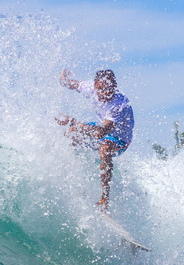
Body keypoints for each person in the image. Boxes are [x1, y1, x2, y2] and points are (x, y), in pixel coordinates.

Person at [56, 68, 134, 211]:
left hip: (120, 140)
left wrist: (71, 121)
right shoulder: (89, 88)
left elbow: (99, 133)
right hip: (102, 130)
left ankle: (104, 199)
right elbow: (71, 84)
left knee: (105, 147)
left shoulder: (119, 104)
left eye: (108, 89)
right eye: (100, 89)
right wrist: (63, 79)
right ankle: (74, 177)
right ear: (95, 86)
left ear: (114, 87)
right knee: (71, 134)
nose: (104, 93)